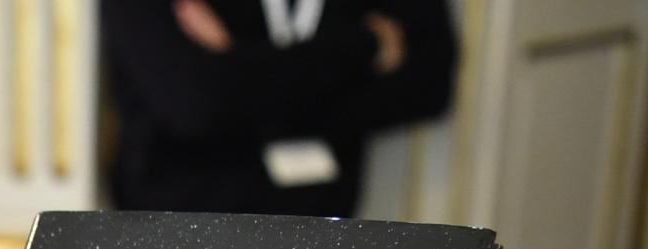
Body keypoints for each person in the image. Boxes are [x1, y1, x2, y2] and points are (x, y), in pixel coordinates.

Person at [103, 0, 456, 215]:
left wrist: (239, 73)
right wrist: (364, 45)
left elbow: (429, 84)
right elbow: (195, 103)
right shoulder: (360, 46)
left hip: (326, 234)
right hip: (176, 230)